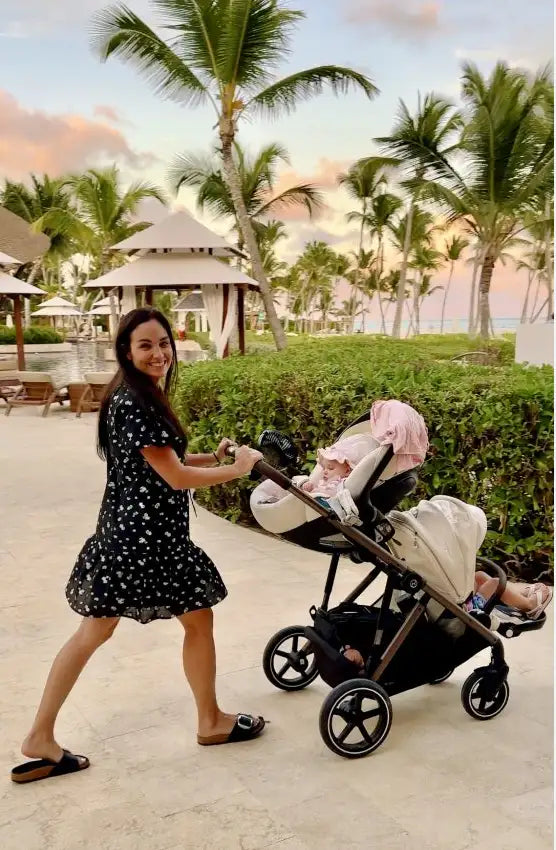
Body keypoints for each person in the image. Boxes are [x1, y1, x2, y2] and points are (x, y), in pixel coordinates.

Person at [11, 308, 264, 785]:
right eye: (145, 345)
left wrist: (218, 454)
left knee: (144, 625)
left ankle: (43, 735)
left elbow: (166, 458)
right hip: (147, 544)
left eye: (163, 343)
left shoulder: (130, 397)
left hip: (131, 536)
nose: (158, 353)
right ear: (126, 351)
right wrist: (238, 470)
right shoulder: (136, 402)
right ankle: (207, 722)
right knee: (111, 629)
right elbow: (176, 475)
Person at [469, 572, 553, 620]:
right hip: (469, 612)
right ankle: (529, 605)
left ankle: (517, 597)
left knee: (479, 576)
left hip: (462, 604)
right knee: (495, 583)